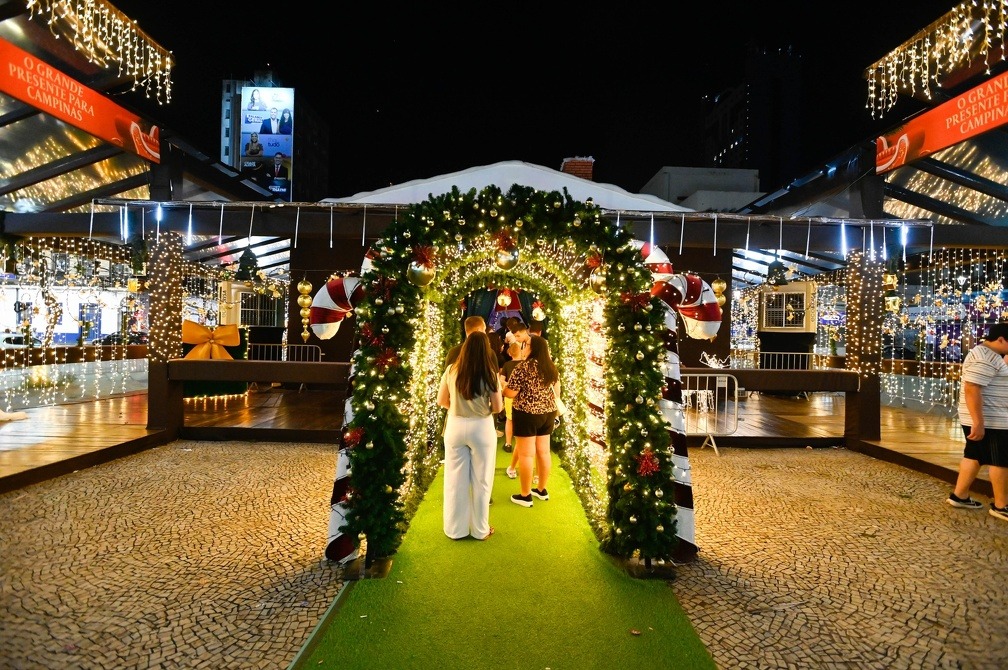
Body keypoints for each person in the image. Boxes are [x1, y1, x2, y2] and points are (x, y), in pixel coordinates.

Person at [437, 331, 503, 540]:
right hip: (481, 427)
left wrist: (457, 408)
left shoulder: (451, 370)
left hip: (455, 425)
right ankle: (480, 530)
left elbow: (442, 400)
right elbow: (498, 407)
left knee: (454, 479)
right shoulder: (490, 373)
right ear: (486, 350)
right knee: (482, 480)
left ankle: (455, 530)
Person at [948, 323, 1008, 522]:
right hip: (991, 420)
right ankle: (1001, 505)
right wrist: (979, 422)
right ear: (1000, 339)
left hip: (985, 417)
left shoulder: (988, 355)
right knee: (1000, 460)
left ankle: (960, 495)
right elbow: (972, 388)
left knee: (974, 455)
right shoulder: (985, 357)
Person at [503, 334, 558, 507]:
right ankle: (541, 489)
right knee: (544, 452)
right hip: (548, 413)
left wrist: (503, 386)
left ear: (532, 348)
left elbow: (510, 393)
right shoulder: (550, 367)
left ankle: (525, 495)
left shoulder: (523, 367)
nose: (523, 347)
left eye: (525, 345)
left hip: (527, 413)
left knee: (526, 454)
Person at [501, 340, 528, 467]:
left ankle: (508, 443)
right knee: (522, 421)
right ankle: (521, 443)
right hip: (523, 397)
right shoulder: (526, 364)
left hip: (509, 396)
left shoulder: (506, 365)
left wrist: (507, 387)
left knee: (509, 419)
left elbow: (502, 381)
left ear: (510, 353)